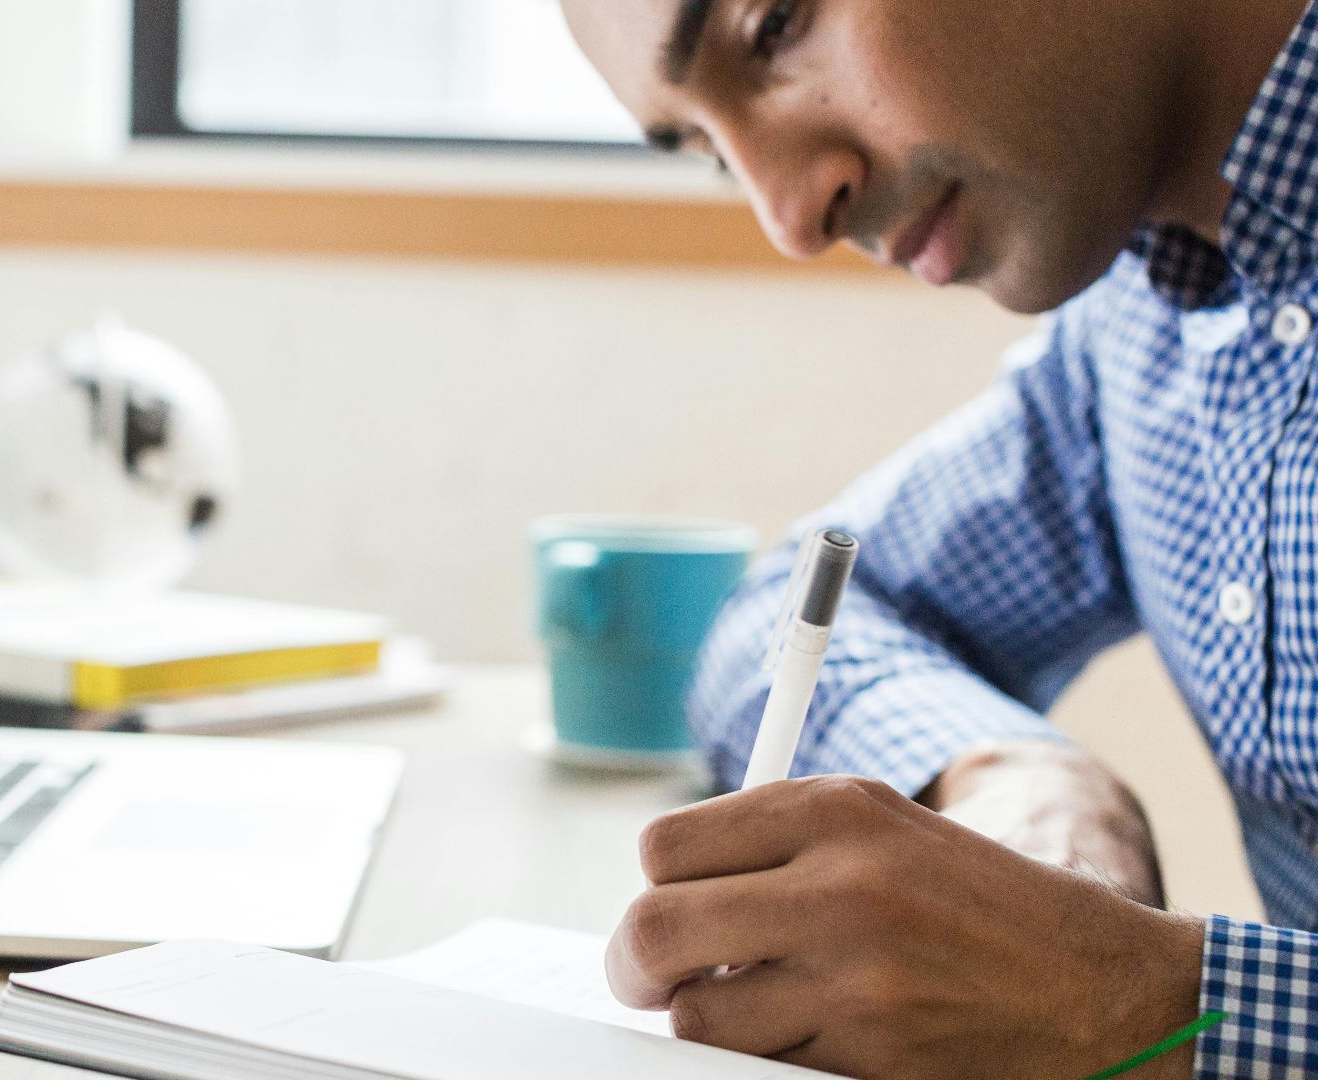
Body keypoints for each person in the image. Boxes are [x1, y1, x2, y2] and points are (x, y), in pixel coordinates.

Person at [559, 0, 1318, 1075]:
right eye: (707, 152)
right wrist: (1018, 777)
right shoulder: (1139, 334)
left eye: (775, 26)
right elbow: (788, 613)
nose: (788, 218)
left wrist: (1139, 1004)